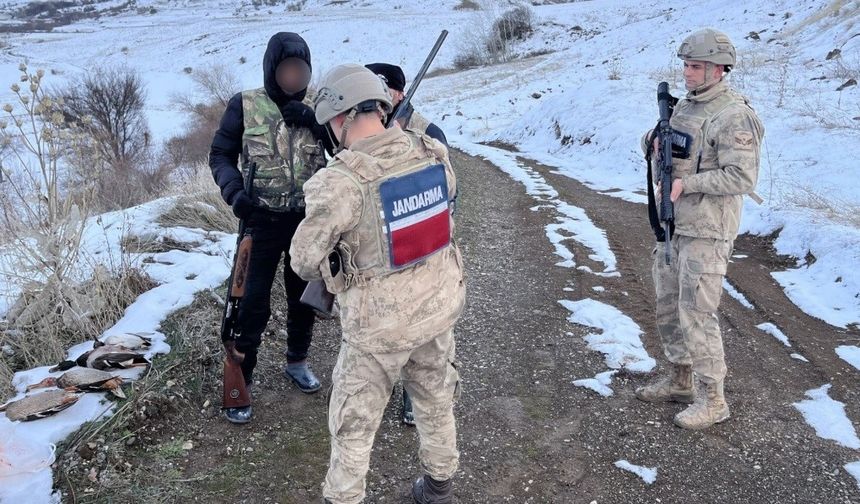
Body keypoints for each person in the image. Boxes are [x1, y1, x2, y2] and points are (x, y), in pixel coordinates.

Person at [289, 64, 466, 504]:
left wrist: (339, 270)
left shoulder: (340, 181)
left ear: (338, 117)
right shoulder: (431, 152)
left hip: (378, 330)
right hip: (436, 309)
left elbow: (303, 260)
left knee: (354, 424)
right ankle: (439, 489)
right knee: (435, 399)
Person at [637, 28, 764, 430]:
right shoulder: (686, 107)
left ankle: (714, 400)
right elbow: (666, 145)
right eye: (686, 65)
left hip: (707, 230)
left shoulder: (733, 115)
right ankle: (680, 380)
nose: (686, 73)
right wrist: (653, 142)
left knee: (697, 312)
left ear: (717, 69)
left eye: (694, 67)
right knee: (668, 305)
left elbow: (741, 176)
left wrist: (688, 184)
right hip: (675, 225)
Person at [209, 32, 332, 424]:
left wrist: (316, 123)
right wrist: (234, 193)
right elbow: (221, 154)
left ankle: (297, 361)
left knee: (303, 299)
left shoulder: (321, 106)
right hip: (259, 221)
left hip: (307, 223)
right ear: (272, 69)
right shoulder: (245, 105)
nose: (294, 76)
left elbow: (346, 150)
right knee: (250, 305)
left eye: (302, 70)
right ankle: (240, 380)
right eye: (287, 69)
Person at [365, 61, 450, 425]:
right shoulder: (362, 131)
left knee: (421, 326)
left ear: (398, 93)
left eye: (382, 91)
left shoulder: (427, 131)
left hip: (418, 246)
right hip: (373, 248)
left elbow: (445, 196)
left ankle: (413, 398)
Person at [365, 62, 448, 146]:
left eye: (383, 90)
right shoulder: (353, 121)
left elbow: (442, 157)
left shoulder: (429, 132)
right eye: (369, 89)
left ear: (400, 95)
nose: (375, 95)